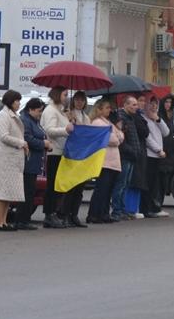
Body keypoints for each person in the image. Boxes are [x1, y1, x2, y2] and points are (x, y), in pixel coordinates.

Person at [54, 91, 92, 227]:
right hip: (71, 154)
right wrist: (71, 121)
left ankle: (74, 214)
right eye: (77, 100)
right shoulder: (68, 113)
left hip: (82, 154)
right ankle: (64, 214)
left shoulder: (86, 117)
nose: (80, 102)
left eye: (82, 100)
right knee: (70, 186)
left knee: (79, 188)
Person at [0, 90, 28, 232]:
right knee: (3, 192)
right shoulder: (3, 116)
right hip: (7, 159)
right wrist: (22, 143)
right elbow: (4, 136)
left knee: (8, 193)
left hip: (14, 159)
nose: (19, 103)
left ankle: (4, 221)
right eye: (17, 101)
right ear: (10, 102)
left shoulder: (13, 115)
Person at [39, 86, 73, 224]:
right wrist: (65, 130)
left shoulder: (61, 111)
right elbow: (50, 130)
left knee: (60, 184)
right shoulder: (50, 110)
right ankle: (49, 213)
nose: (67, 98)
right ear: (58, 95)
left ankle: (57, 212)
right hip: (54, 152)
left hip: (63, 152)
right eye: (65, 95)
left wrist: (70, 120)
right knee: (53, 184)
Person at [87, 102, 123, 224]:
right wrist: (116, 136)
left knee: (108, 189)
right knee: (101, 189)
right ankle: (94, 214)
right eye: (107, 107)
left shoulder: (108, 122)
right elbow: (112, 139)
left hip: (113, 161)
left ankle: (104, 213)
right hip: (104, 161)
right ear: (99, 109)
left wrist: (117, 135)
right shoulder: (98, 122)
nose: (109, 110)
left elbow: (121, 135)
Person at [17, 97, 49, 230]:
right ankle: (21, 220)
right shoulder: (25, 120)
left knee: (30, 191)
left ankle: (25, 218)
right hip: (28, 161)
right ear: (30, 109)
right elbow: (27, 138)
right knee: (26, 191)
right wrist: (43, 144)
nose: (40, 114)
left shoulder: (34, 121)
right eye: (38, 111)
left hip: (35, 161)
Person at [114, 95, 144, 221]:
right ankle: (117, 210)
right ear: (125, 105)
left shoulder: (131, 118)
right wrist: (131, 150)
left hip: (132, 155)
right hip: (125, 156)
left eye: (136, 104)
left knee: (126, 184)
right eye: (133, 104)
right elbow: (123, 140)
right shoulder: (121, 118)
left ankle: (122, 209)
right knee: (120, 184)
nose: (136, 107)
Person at [142, 97, 170, 218]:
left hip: (157, 156)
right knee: (148, 183)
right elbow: (147, 138)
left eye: (156, 104)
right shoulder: (144, 119)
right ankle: (147, 208)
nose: (153, 107)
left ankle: (154, 207)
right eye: (151, 104)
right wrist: (158, 150)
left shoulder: (156, 118)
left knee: (155, 183)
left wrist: (158, 119)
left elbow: (166, 132)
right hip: (150, 154)